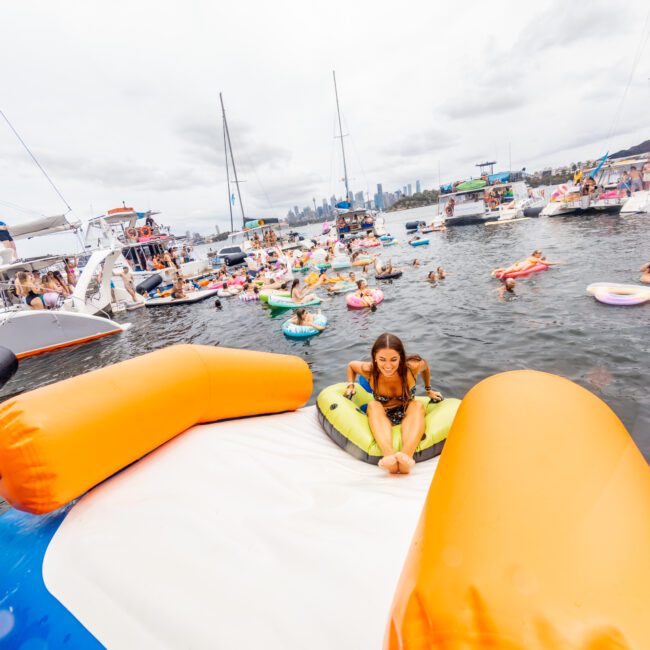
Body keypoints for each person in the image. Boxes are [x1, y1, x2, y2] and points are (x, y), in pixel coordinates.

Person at [344, 333, 443, 475]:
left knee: (417, 405)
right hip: (383, 415)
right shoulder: (370, 370)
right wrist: (350, 385)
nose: (388, 366)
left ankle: (406, 457)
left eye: (394, 359)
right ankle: (389, 456)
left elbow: (426, 367)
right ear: (375, 358)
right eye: (382, 359)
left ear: (401, 358)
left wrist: (429, 390)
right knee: (373, 405)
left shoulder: (412, 367)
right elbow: (351, 366)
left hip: (406, 411)